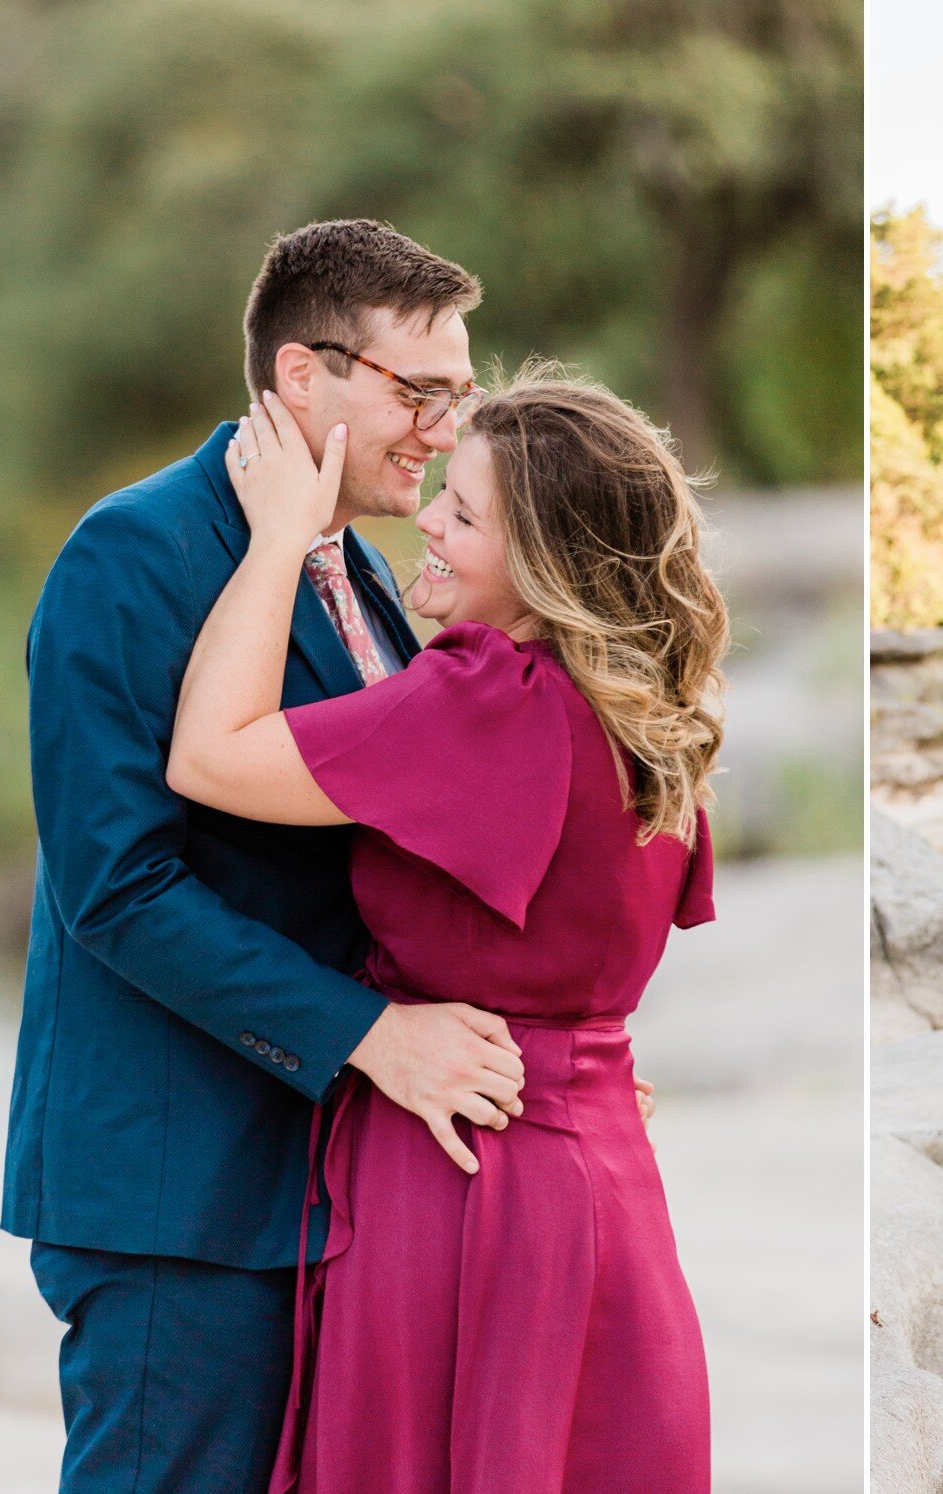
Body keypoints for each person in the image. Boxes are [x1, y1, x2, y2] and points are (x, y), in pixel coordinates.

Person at [4, 220, 644, 1492]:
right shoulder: (134, 552)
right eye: (420, 392)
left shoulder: (362, 573)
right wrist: (369, 1034)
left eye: (456, 396)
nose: (443, 429)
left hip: (336, 1188)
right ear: (305, 377)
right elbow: (113, 889)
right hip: (177, 1198)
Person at [167, 361, 725, 1490]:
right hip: (595, 1168)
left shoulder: (488, 691)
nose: (426, 520)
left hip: (464, 1177)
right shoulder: (638, 711)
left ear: (545, 563)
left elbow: (208, 757)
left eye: (464, 515)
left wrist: (283, 536)